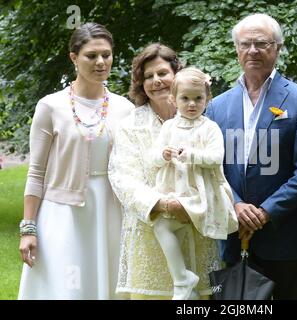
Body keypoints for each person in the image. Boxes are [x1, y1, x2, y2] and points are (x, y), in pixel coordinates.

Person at [206, 13, 297, 300]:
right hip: (234, 238)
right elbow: (211, 168)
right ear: (236, 49)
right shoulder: (217, 106)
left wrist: (265, 212)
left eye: (262, 43)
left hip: (287, 241)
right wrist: (234, 204)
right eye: (246, 44)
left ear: (277, 48)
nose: (253, 50)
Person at [18, 22, 134, 299]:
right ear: (73, 57)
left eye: (106, 54)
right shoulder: (50, 106)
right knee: (66, 287)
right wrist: (28, 229)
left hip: (110, 211)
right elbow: (36, 173)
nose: (100, 62)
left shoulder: (125, 108)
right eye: (91, 56)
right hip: (62, 213)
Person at [108, 44, 222, 299]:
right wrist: (163, 204)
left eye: (162, 73)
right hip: (150, 234)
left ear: (176, 76)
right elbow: (122, 177)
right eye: (148, 76)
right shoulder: (130, 125)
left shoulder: (205, 121)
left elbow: (217, 169)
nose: (156, 81)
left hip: (198, 229)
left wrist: (195, 205)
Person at [150, 67, 238, 300]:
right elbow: (153, 159)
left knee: (171, 230)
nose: (192, 104)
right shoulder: (169, 127)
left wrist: (190, 155)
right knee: (163, 228)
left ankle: (184, 282)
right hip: (174, 191)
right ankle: (182, 281)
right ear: (174, 99)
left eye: (198, 98)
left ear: (207, 98)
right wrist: (164, 154)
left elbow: (216, 158)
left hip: (200, 193)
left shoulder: (209, 128)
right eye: (185, 98)